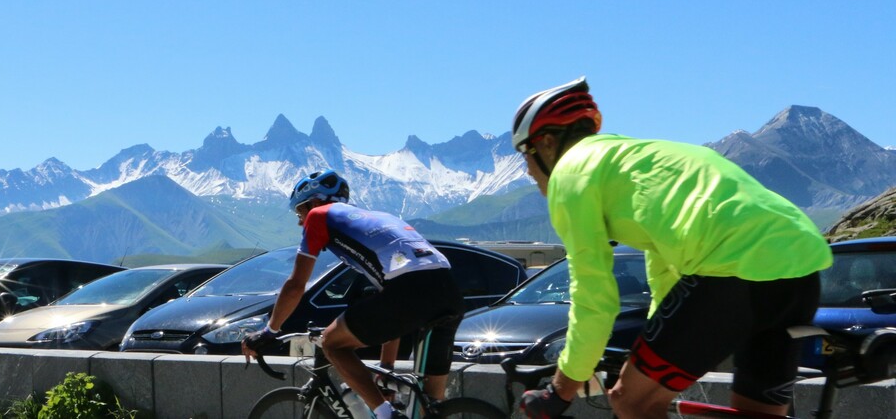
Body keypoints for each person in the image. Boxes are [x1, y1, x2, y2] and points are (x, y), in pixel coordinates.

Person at [512, 77, 832, 419]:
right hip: (801, 268)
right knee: (760, 413)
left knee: (632, 401)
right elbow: (664, 269)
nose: (528, 170)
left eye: (525, 154)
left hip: (730, 271)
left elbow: (594, 299)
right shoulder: (640, 160)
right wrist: (649, 342)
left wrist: (560, 390)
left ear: (546, 143)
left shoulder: (571, 174)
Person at [241, 170, 464, 419]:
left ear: (314, 203)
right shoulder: (380, 219)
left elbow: (296, 285)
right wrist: (386, 368)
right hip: (449, 292)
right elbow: (393, 296)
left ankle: (385, 415)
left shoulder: (319, 215)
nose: (300, 222)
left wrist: (269, 331)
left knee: (331, 344)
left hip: (410, 290)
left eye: (299, 212)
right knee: (431, 406)